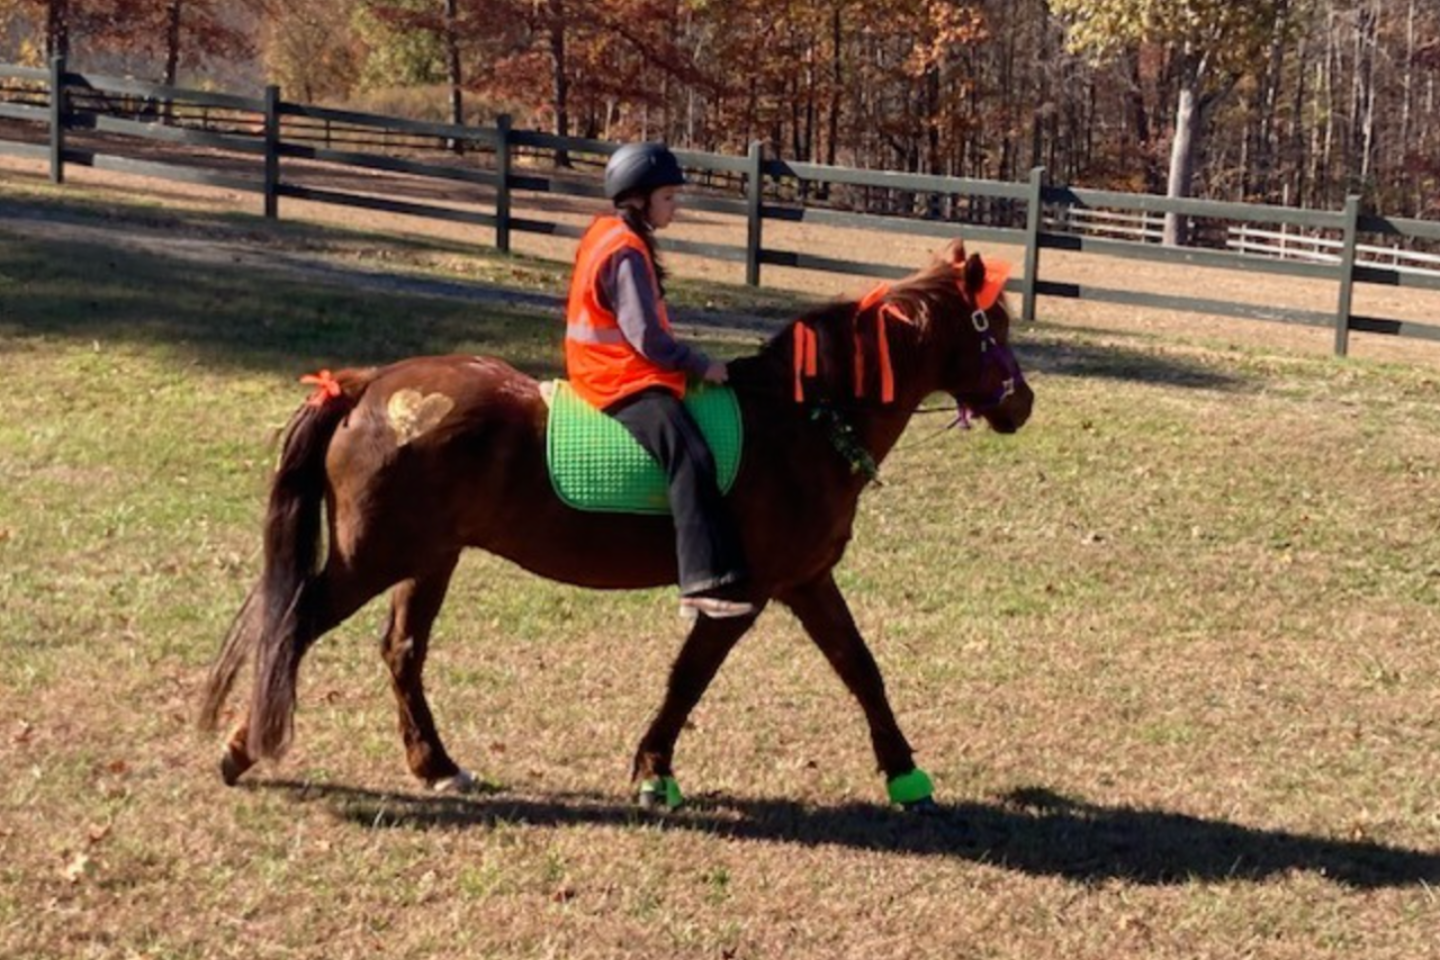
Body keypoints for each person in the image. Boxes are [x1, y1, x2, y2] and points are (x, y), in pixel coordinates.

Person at [564, 142, 754, 619]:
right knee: (688, 453)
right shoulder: (625, 251)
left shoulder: (610, 232)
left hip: (608, 366)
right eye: (668, 197)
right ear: (638, 200)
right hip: (616, 377)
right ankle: (699, 582)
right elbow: (646, 336)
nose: (676, 206)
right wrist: (699, 364)